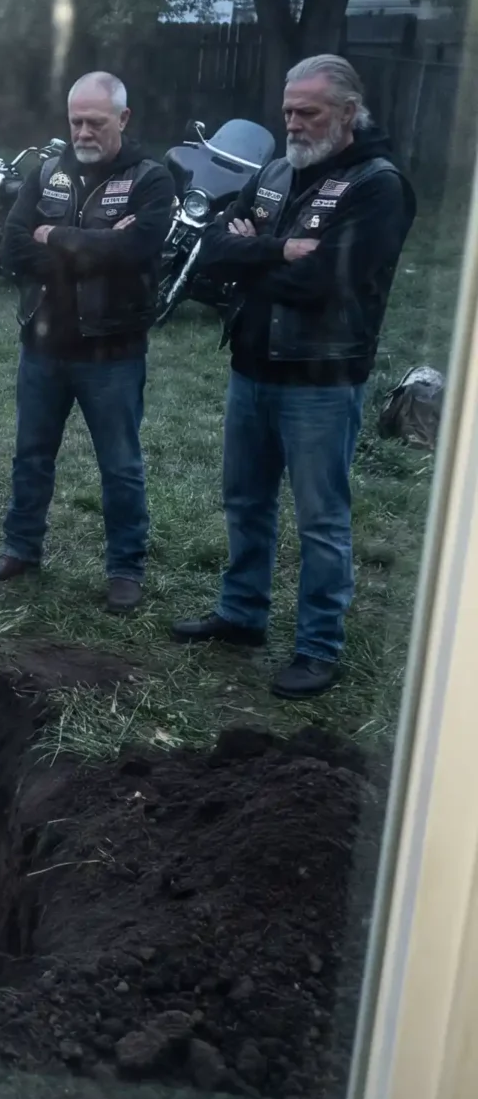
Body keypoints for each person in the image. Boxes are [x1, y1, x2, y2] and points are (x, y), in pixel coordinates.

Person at [172, 55, 416, 698]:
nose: (293, 123)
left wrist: (250, 254)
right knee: (245, 501)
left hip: (321, 379)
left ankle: (318, 647)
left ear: (347, 111)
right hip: (251, 367)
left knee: (321, 520)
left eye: (307, 112)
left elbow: (324, 284)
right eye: (287, 111)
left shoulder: (378, 185)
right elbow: (212, 247)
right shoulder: (277, 171)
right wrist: (276, 249)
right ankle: (242, 614)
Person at [0, 72, 175, 613]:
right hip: (42, 344)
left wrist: (58, 238)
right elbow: (12, 249)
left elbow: (137, 252)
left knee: (120, 465)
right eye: (75, 121)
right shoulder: (47, 172)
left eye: (95, 122)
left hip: (112, 351)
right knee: (31, 456)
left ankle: (125, 570)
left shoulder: (152, 179)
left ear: (123, 119)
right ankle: (20, 550)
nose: (83, 132)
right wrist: (94, 250)